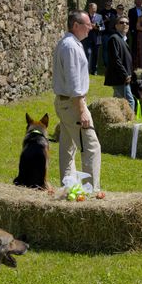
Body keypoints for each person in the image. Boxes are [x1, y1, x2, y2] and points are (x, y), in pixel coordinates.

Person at [53, 10, 101, 191]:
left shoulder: (67, 43)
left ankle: (68, 188)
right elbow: (74, 83)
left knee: (68, 148)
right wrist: (82, 110)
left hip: (64, 103)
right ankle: (91, 191)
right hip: (72, 104)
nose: (90, 28)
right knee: (91, 147)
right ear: (76, 26)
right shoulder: (71, 47)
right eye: (87, 25)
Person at [104, 16, 134, 111]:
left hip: (123, 76)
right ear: (116, 26)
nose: (125, 24)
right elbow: (115, 59)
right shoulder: (114, 39)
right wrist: (125, 75)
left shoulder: (123, 39)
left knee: (118, 101)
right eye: (122, 22)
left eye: (127, 23)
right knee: (129, 101)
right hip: (120, 77)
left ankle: (119, 121)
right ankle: (129, 123)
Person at [81, 3, 104, 75]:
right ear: (89, 8)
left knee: (96, 55)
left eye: (95, 8)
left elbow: (103, 27)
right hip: (87, 38)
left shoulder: (99, 17)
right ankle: (86, 70)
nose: (94, 10)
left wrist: (97, 27)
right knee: (88, 53)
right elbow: (82, 26)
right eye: (93, 8)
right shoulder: (85, 16)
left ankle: (94, 70)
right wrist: (89, 26)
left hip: (97, 39)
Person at [99, 0, 118, 67]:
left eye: (110, 1)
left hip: (113, 33)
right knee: (105, 49)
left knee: (113, 49)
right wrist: (105, 20)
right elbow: (99, 23)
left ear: (111, 2)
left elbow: (117, 21)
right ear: (105, 2)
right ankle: (106, 65)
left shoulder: (114, 11)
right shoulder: (101, 12)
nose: (108, 2)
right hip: (105, 33)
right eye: (107, 1)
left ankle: (113, 63)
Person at [127, 0, 142, 66]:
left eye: (140, 1)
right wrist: (132, 30)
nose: (139, 3)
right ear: (135, 2)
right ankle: (134, 59)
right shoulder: (131, 11)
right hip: (135, 30)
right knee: (135, 44)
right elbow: (130, 21)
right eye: (137, 1)